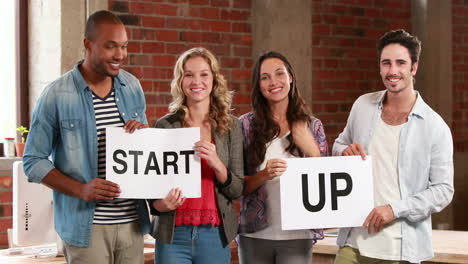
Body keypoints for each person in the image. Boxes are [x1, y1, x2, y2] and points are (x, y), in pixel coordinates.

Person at [23, 10, 151, 264]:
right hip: (86, 229)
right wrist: (81, 189)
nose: (120, 55)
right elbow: (33, 161)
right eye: (111, 46)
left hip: (132, 226)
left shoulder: (132, 87)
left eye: (124, 46)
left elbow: (143, 154)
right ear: (87, 44)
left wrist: (144, 137)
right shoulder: (56, 94)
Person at [333, 29, 454, 264]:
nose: (392, 71)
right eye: (386, 63)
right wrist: (343, 151)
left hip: (400, 248)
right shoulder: (362, 106)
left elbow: (443, 190)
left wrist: (394, 209)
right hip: (354, 241)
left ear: (414, 67)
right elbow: (339, 144)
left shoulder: (434, 126)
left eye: (401, 63)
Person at [149, 47, 244, 264]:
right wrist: (159, 205)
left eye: (203, 74)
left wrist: (218, 165)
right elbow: (151, 187)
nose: (196, 81)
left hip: (214, 234)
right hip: (172, 234)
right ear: (180, 81)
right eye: (188, 74)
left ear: (214, 79)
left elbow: (237, 189)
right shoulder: (165, 125)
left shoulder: (231, 127)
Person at [237, 51, 329, 264]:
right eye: (265, 77)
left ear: (290, 78)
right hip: (254, 235)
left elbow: (326, 187)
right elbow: (235, 186)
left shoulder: (312, 126)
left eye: (279, 74)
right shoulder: (245, 126)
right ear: (258, 85)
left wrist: (313, 152)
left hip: (298, 234)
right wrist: (264, 175)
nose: (273, 82)